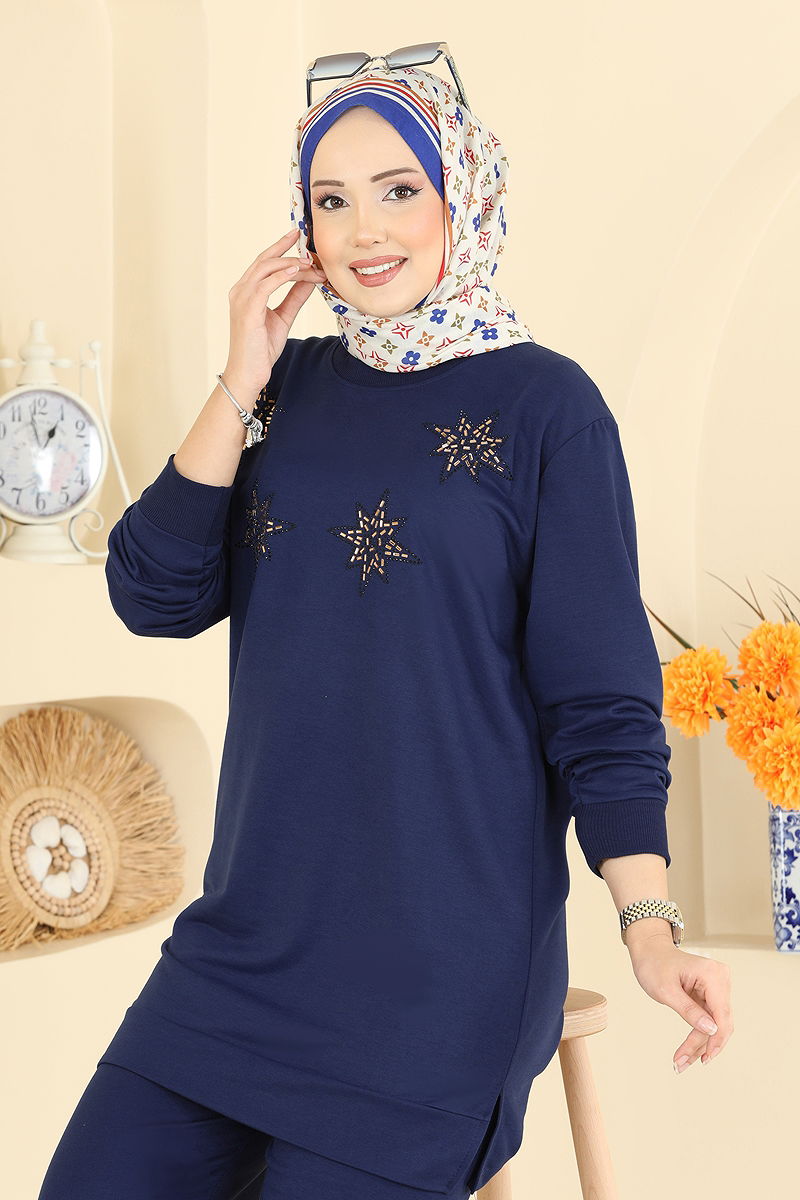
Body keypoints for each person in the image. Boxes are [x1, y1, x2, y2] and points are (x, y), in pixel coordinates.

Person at [38, 57, 733, 1200]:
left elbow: (599, 705)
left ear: (463, 195)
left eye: (398, 190)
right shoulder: (284, 389)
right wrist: (239, 376)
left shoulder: (546, 407)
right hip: (241, 957)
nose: (363, 229)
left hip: (435, 984)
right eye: (330, 199)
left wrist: (647, 927)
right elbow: (151, 594)